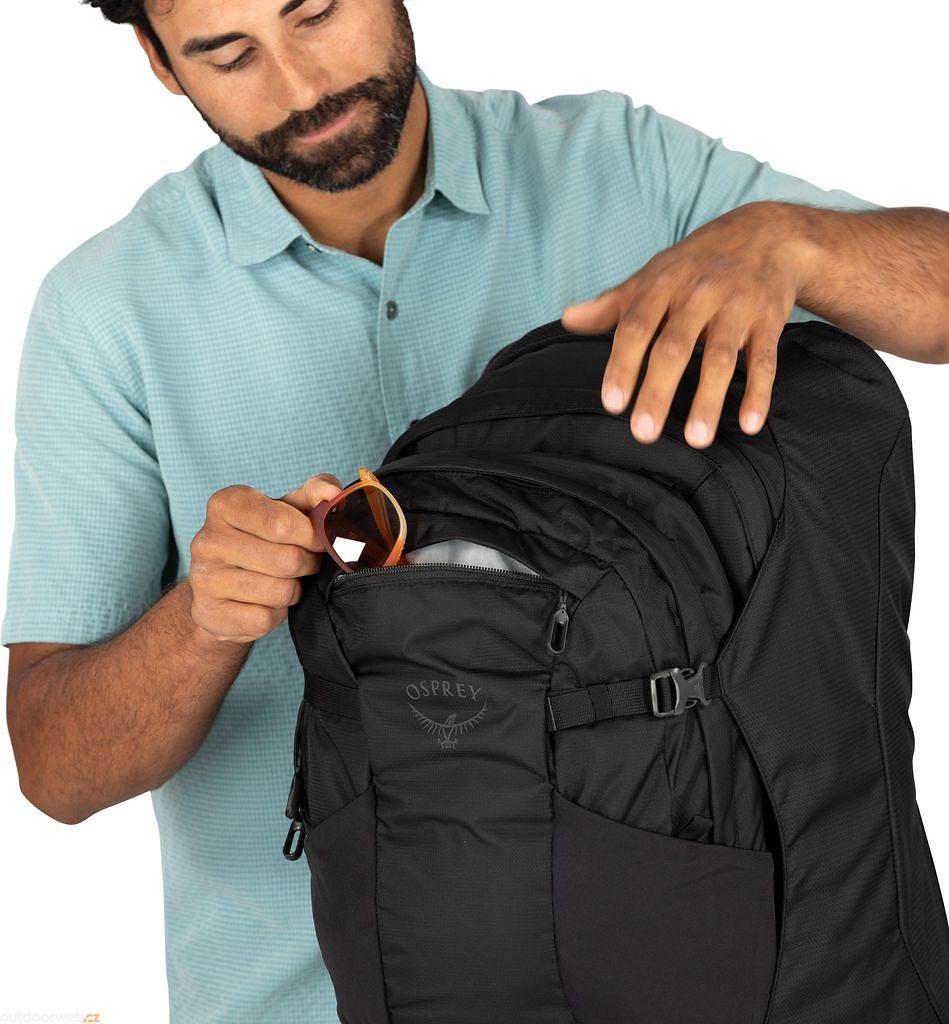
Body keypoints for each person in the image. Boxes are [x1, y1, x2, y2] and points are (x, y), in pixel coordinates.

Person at [4, 1, 948, 1022]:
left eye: (315, 12)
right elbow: (56, 769)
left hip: (680, 978)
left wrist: (793, 241)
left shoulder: (619, 172)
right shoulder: (106, 311)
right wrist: (202, 622)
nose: (299, 86)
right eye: (228, 55)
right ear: (158, 61)